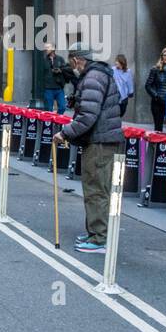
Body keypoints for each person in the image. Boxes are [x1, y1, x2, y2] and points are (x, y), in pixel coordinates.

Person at [53, 43, 122, 254]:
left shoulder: (92, 78)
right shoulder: (99, 75)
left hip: (99, 141)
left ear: (76, 60)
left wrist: (64, 132)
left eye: (71, 62)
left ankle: (99, 239)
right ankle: (95, 232)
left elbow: (88, 116)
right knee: (97, 188)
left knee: (95, 189)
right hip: (103, 138)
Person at [144, 47, 166, 132]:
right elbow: (148, 86)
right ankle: (157, 145)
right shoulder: (155, 69)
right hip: (158, 103)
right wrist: (156, 96)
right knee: (158, 129)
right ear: (161, 57)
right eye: (164, 55)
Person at [41, 43, 70, 114]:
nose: (46, 49)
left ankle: (57, 121)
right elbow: (41, 73)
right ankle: (49, 124)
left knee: (62, 107)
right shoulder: (43, 60)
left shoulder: (60, 59)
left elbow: (66, 70)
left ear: (53, 48)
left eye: (48, 47)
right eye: (45, 48)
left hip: (59, 87)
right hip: (48, 88)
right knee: (48, 110)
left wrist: (60, 70)